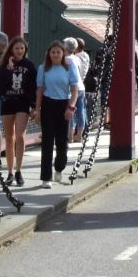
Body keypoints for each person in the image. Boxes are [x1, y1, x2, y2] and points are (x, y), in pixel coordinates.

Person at [34, 41, 80, 189]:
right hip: (48, 104)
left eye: (58, 52)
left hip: (63, 104)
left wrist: (71, 107)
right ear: (49, 54)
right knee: (47, 141)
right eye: (52, 52)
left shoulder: (69, 68)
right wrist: (37, 109)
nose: (55, 55)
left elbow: (74, 90)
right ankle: (46, 177)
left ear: (63, 54)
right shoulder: (43, 68)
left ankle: (59, 167)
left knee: (62, 141)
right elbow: (40, 90)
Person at [0, 36, 37, 186]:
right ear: (11, 50)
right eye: (16, 48)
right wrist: (8, 70)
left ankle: (19, 170)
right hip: (8, 102)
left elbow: (33, 85)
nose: (19, 51)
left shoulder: (29, 65)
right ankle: (9, 171)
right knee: (9, 137)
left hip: (22, 102)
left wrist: (33, 106)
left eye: (22, 48)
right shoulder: (4, 65)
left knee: (20, 136)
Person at [63, 37, 89, 144]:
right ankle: (79, 135)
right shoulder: (77, 58)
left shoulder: (65, 59)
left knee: (70, 111)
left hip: (72, 88)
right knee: (81, 111)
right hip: (81, 86)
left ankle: (70, 136)